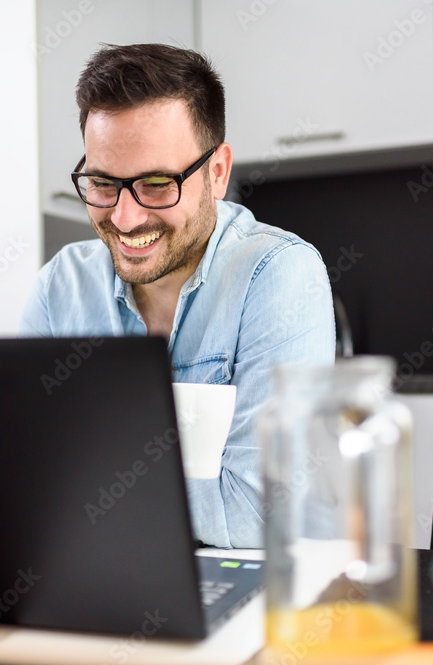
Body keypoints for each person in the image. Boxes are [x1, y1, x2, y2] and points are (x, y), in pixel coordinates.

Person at [20, 43, 334, 548]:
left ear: (217, 173)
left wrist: (83, 493)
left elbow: (259, 512)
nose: (125, 218)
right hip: (101, 578)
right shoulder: (61, 286)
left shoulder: (279, 275)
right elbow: (19, 481)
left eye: (158, 183)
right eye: (102, 183)